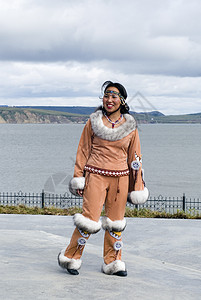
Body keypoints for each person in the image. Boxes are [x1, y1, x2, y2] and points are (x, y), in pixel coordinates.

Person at [58, 81, 149, 276]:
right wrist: (79, 177)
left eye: (114, 96)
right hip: (95, 175)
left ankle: (113, 262)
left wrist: (137, 186)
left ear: (122, 100)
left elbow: (135, 158)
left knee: (115, 222)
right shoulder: (93, 121)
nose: (109, 100)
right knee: (88, 220)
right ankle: (71, 257)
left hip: (121, 178)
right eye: (106, 95)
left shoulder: (130, 126)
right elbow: (83, 150)